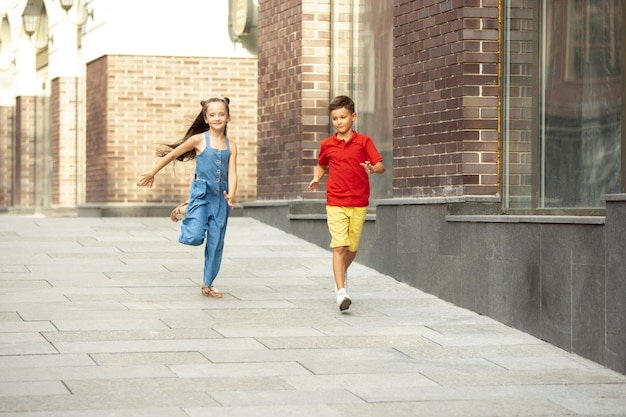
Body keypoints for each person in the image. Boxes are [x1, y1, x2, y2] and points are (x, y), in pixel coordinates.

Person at [138, 97, 238, 298]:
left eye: (221, 114)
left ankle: (207, 284)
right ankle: (185, 209)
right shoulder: (199, 139)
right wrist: (152, 172)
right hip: (201, 195)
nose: (217, 118)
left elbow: (233, 173)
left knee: (216, 243)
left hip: (221, 199)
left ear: (228, 117)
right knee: (193, 237)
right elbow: (172, 155)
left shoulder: (231, 145)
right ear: (206, 118)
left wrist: (232, 195)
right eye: (212, 115)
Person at [308, 95, 385, 311]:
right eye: (335, 118)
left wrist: (371, 168)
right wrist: (317, 177)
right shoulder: (327, 144)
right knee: (339, 246)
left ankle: (339, 274)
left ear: (353, 116)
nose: (339, 122)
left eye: (342, 117)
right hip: (335, 201)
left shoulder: (364, 142)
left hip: (359, 202)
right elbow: (321, 164)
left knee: (352, 248)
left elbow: (380, 166)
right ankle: (341, 292)